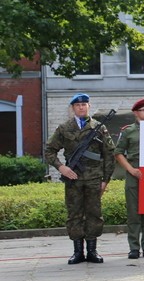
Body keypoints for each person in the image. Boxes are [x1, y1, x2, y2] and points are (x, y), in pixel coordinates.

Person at [44, 93, 115, 264]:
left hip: (94, 178)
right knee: (74, 214)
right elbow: (49, 151)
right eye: (77, 105)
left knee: (94, 214)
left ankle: (92, 251)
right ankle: (77, 252)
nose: (81, 107)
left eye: (84, 104)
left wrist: (105, 180)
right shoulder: (64, 128)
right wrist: (61, 167)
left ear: (89, 106)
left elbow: (109, 154)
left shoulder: (99, 127)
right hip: (73, 178)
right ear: (73, 108)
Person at [114, 98, 144, 259]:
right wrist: (131, 169)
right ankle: (133, 247)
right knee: (133, 212)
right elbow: (118, 153)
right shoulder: (128, 131)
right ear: (136, 113)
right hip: (134, 171)